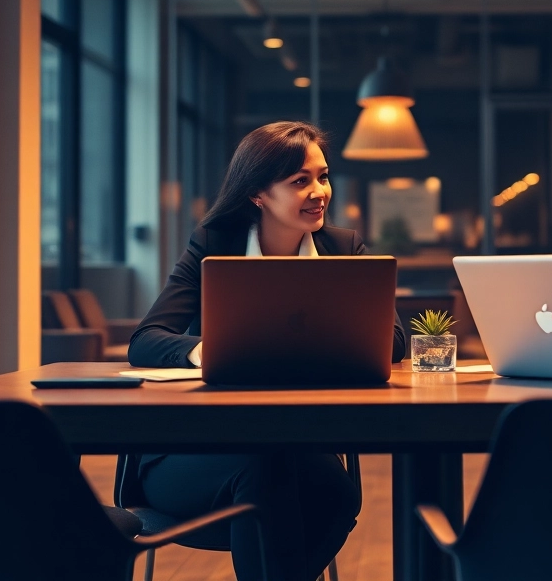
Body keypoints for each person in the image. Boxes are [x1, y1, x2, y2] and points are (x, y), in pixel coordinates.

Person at [128, 121, 405, 581]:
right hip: (192, 451)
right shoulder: (214, 244)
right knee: (266, 472)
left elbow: (391, 342)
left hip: (295, 446)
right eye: (300, 181)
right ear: (258, 194)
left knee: (335, 494)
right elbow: (147, 339)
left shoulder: (344, 249)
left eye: (323, 176)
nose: (319, 191)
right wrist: (211, 349)